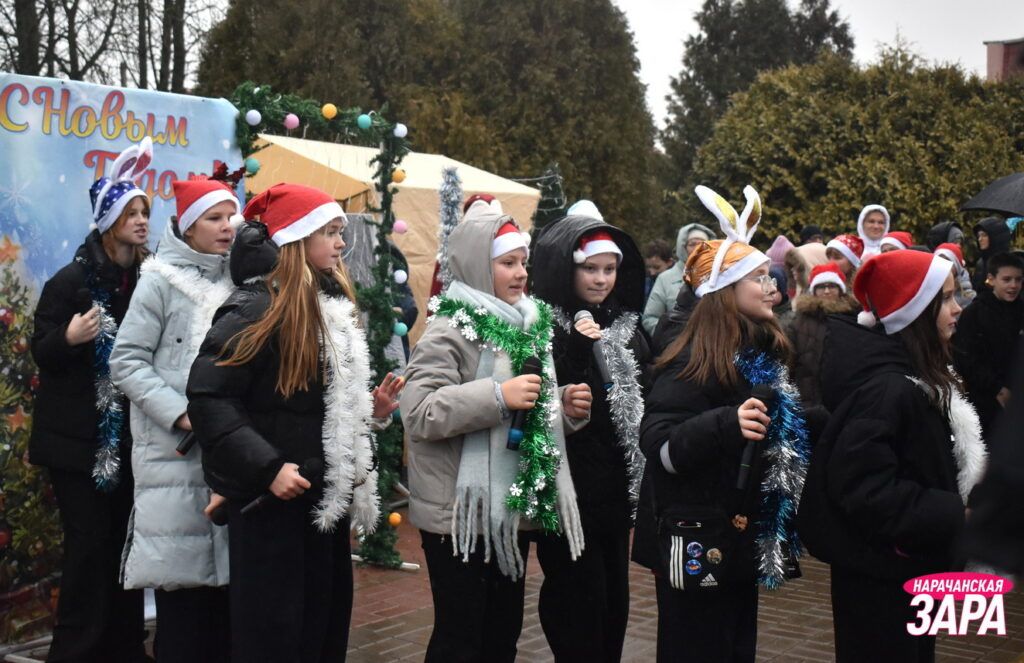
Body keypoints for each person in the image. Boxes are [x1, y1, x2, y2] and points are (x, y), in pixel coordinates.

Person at [186, 183, 402, 663]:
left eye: (340, 231)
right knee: (274, 637)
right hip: (271, 507)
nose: (341, 243)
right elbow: (210, 397)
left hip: (321, 503)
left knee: (321, 631)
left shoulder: (326, 304)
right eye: (329, 232)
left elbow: (312, 406)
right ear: (295, 239)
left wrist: (368, 413)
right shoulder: (255, 307)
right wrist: (267, 468)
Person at [400, 208, 591, 663]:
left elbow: (524, 407)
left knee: (501, 635)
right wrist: (497, 396)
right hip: (458, 516)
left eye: (523, 262)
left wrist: (560, 405)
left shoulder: (525, 322)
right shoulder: (448, 329)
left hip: (507, 510)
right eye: (508, 263)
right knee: (460, 640)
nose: (521, 273)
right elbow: (420, 412)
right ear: (476, 265)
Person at [633, 185, 808, 663]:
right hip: (696, 537)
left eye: (769, 276)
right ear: (725, 290)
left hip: (736, 536)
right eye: (758, 278)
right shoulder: (694, 357)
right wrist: (727, 423)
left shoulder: (757, 352)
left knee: (733, 645)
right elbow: (659, 443)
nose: (772, 287)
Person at [799, 250, 987, 663]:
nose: (958, 308)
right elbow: (864, 489)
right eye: (945, 299)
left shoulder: (916, 376)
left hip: (907, 569)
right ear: (914, 313)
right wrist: (955, 513)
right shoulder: (887, 390)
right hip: (882, 582)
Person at [109, 171, 243, 662]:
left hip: (228, 451)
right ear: (188, 226)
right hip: (175, 458)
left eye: (231, 216)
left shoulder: (238, 280)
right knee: (184, 601)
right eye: (214, 218)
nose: (227, 227)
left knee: (226, 607)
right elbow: (126, 361)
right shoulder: (159, 281)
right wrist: (181, 413)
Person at [29, 139, 153, 662]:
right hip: (77, 446)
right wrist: (69, 338)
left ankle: (124, 647)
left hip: (129, 441)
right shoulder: (71, 281)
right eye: (131, 213)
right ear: (108, 221)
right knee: (87, 549)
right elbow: (42, 350)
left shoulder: (146, 278)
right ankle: (76, 651)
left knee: (125, 544)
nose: (142, 221)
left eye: (145, 212)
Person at [530, 202, 650, 663]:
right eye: (590, 269)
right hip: (570, 491)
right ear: (567, 269)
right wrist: (578, 351)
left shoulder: (626, 327)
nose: (601, 280)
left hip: (615, 492)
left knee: (613, 604)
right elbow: (543, 395)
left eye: (609, 270)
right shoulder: (545, 326)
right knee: (577, 601)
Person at [953, 252, 1024, 438]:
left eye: (1018, 280)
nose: (1013, 285)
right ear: (991, 279)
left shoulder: (1020, 310)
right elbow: (965, 358)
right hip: (985, 403)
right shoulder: (975, 313)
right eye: (1006, 279)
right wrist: (997, 389)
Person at [786, 263, 859, 408]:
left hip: (845, 397)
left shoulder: (852, 317)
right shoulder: (799, 322)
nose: (826, 291)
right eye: (821, 287)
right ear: (814, 290)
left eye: (832, 286)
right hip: (807, 401)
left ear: (840, 289)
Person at [642, 221, 715, 335]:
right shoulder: (665, 279)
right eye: (692, 244)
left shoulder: (720, 276)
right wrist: (673, 336)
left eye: (703, 243)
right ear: (683, 247)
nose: (698, 247)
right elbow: (650, 318)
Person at [972, 217, 1013, 293]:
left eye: (984, 235)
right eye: (978, 236)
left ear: (995, 237)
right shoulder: (981, 263)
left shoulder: (1010, 263)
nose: (980, 239)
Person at [934, 243, 976, 308]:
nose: (942, 265)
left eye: (947, 261)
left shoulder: (970, 298)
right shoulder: (929, 295)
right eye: (938, 261)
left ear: (957, 267)